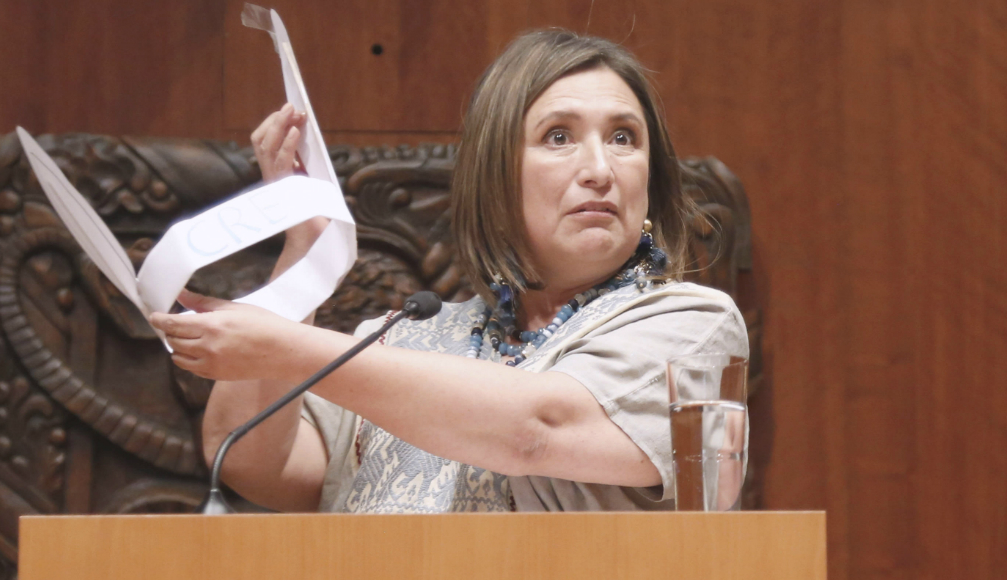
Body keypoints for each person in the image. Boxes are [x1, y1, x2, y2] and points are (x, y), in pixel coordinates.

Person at [149, 30, 748, 513]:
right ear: (495, 176)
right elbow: (253, 461)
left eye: (623, 137)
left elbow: (536, 427)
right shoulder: (403, 338)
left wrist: (290, 349)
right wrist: (304, 253)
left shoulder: (692, 325)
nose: (600, 168)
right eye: (558, 137)